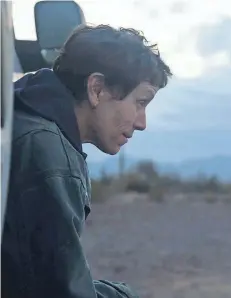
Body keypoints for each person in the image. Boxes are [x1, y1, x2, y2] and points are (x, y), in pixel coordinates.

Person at [2, 24, 172, 298]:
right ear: (96, 88)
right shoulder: (47, 154)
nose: (141, 123)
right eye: (140, 102)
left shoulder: (22, 119)